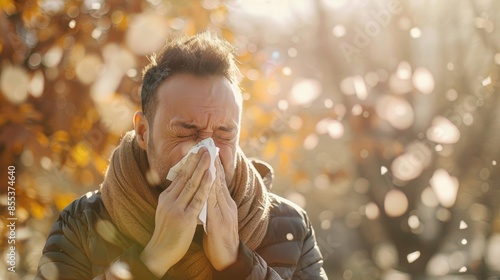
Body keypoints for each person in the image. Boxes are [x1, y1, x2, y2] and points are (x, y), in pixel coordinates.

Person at [36, 32, 328, 280]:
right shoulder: (81, 224)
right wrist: (150, 261)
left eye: (224, 133)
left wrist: (237, 263)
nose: (206, 151)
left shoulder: (289, 225)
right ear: (142, 131)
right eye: (186, 131)